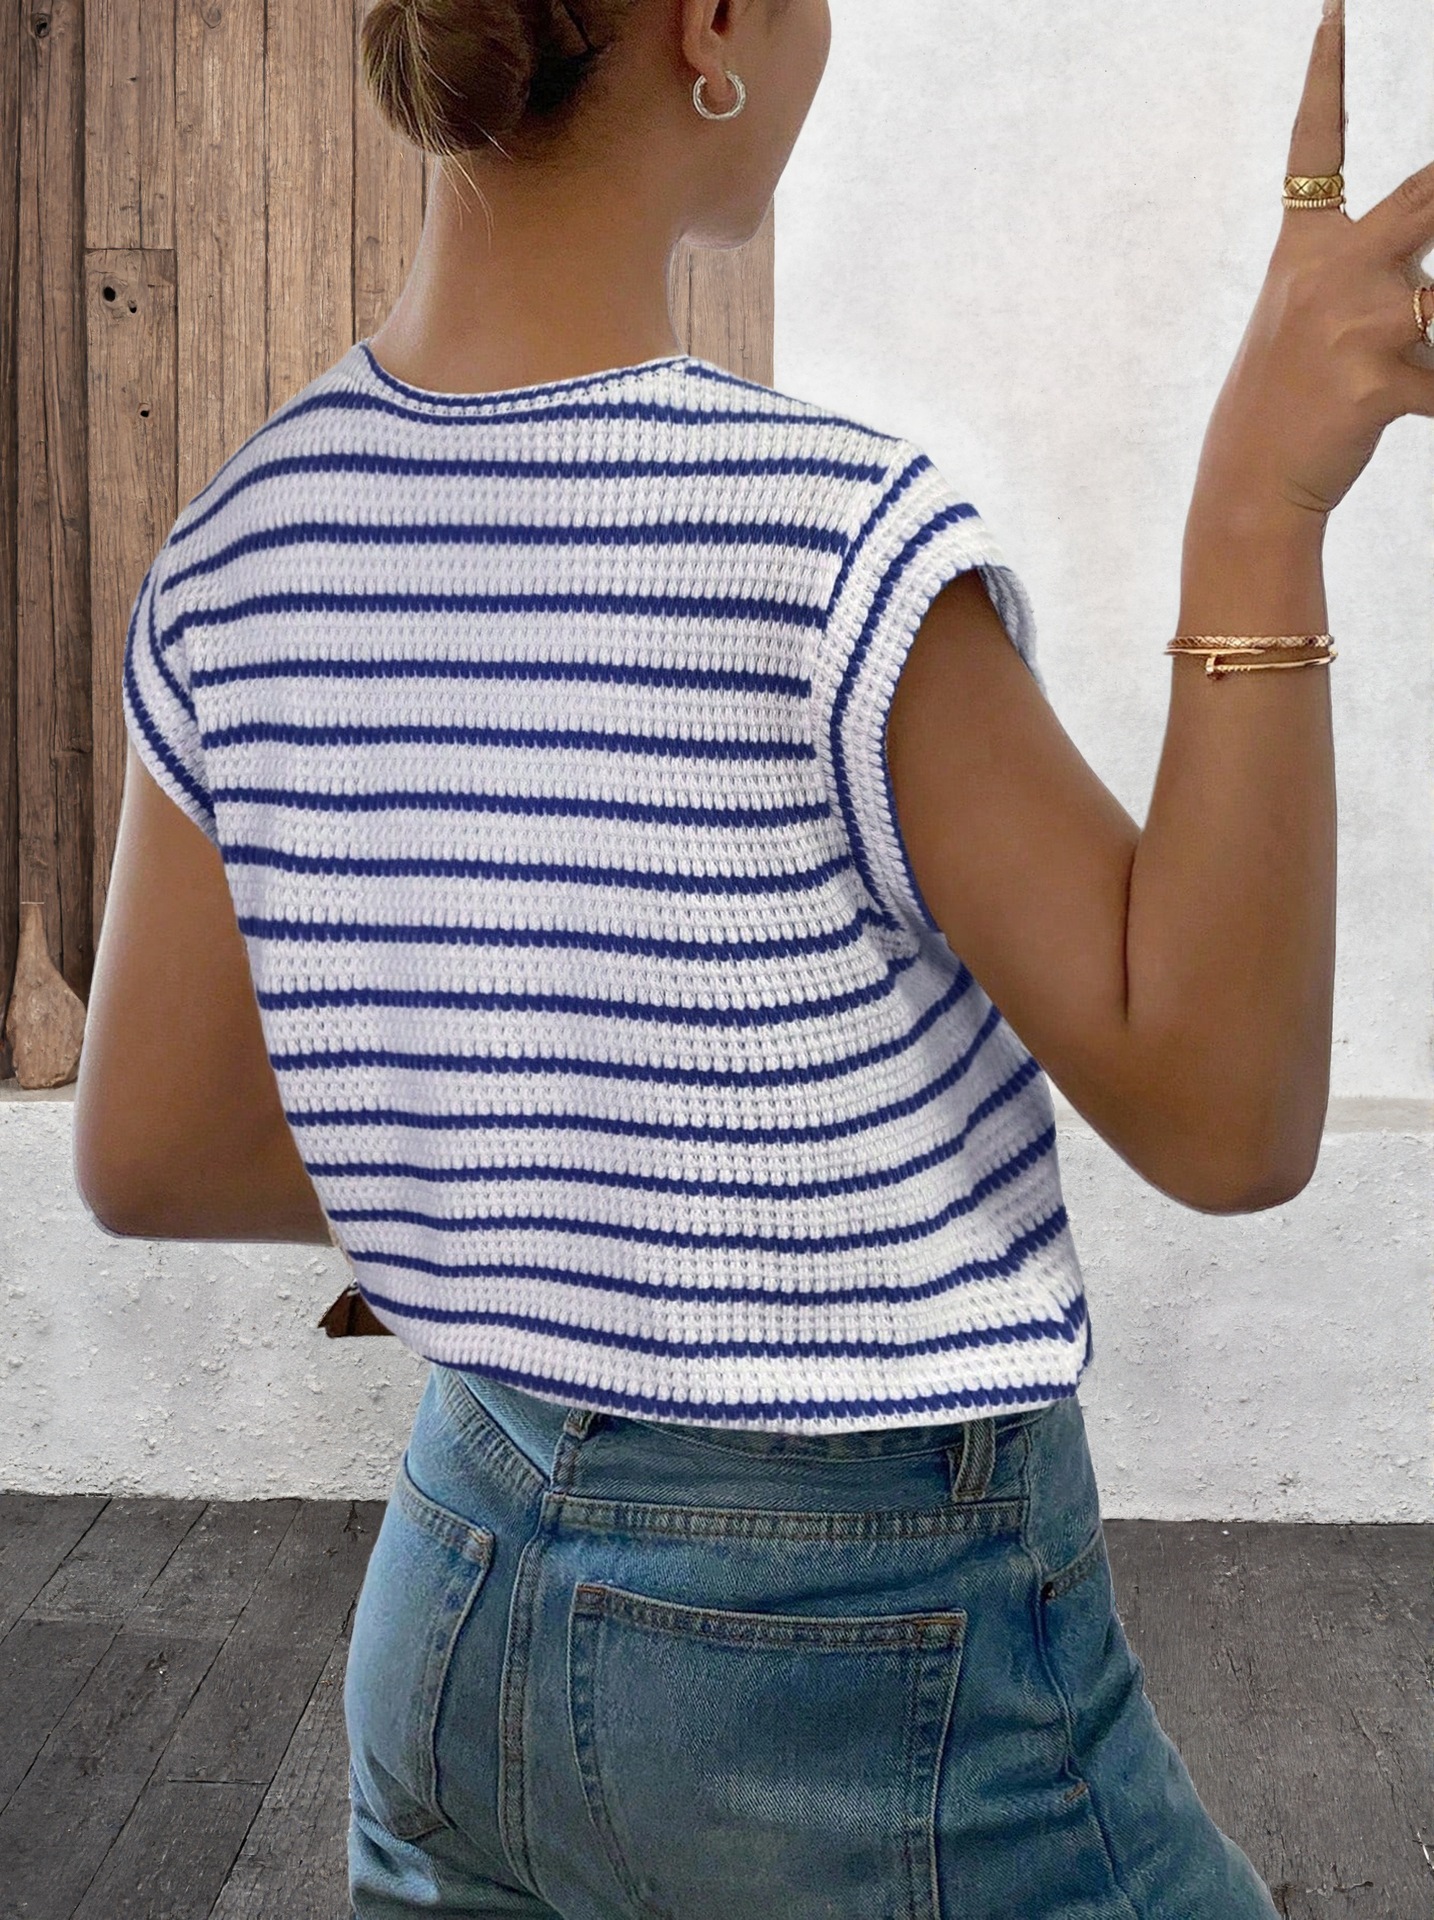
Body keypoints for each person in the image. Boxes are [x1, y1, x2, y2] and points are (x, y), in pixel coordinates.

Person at [73, 0, 1434, 1913]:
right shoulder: (824, 545)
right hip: (855, 1646)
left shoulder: (238, 547)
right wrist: (1258, 503)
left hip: (453, 1595)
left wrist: (530, 1196)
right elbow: (1223, 1118)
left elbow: (151, 1151)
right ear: (711, 23)